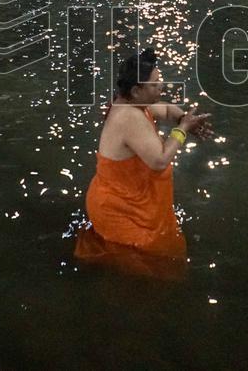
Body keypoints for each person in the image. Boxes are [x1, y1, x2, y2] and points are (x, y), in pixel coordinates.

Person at [74, 48, 213, 279]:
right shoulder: (128, 117)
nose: (162, 87)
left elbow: (167, 109)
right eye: (155, 84)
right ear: (137, 90)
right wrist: (182, 130)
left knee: (154, 262)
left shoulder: (133, 104)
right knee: (154, 270)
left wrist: (181, 118)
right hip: (119, 208)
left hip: (127, 196)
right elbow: (159, 161)